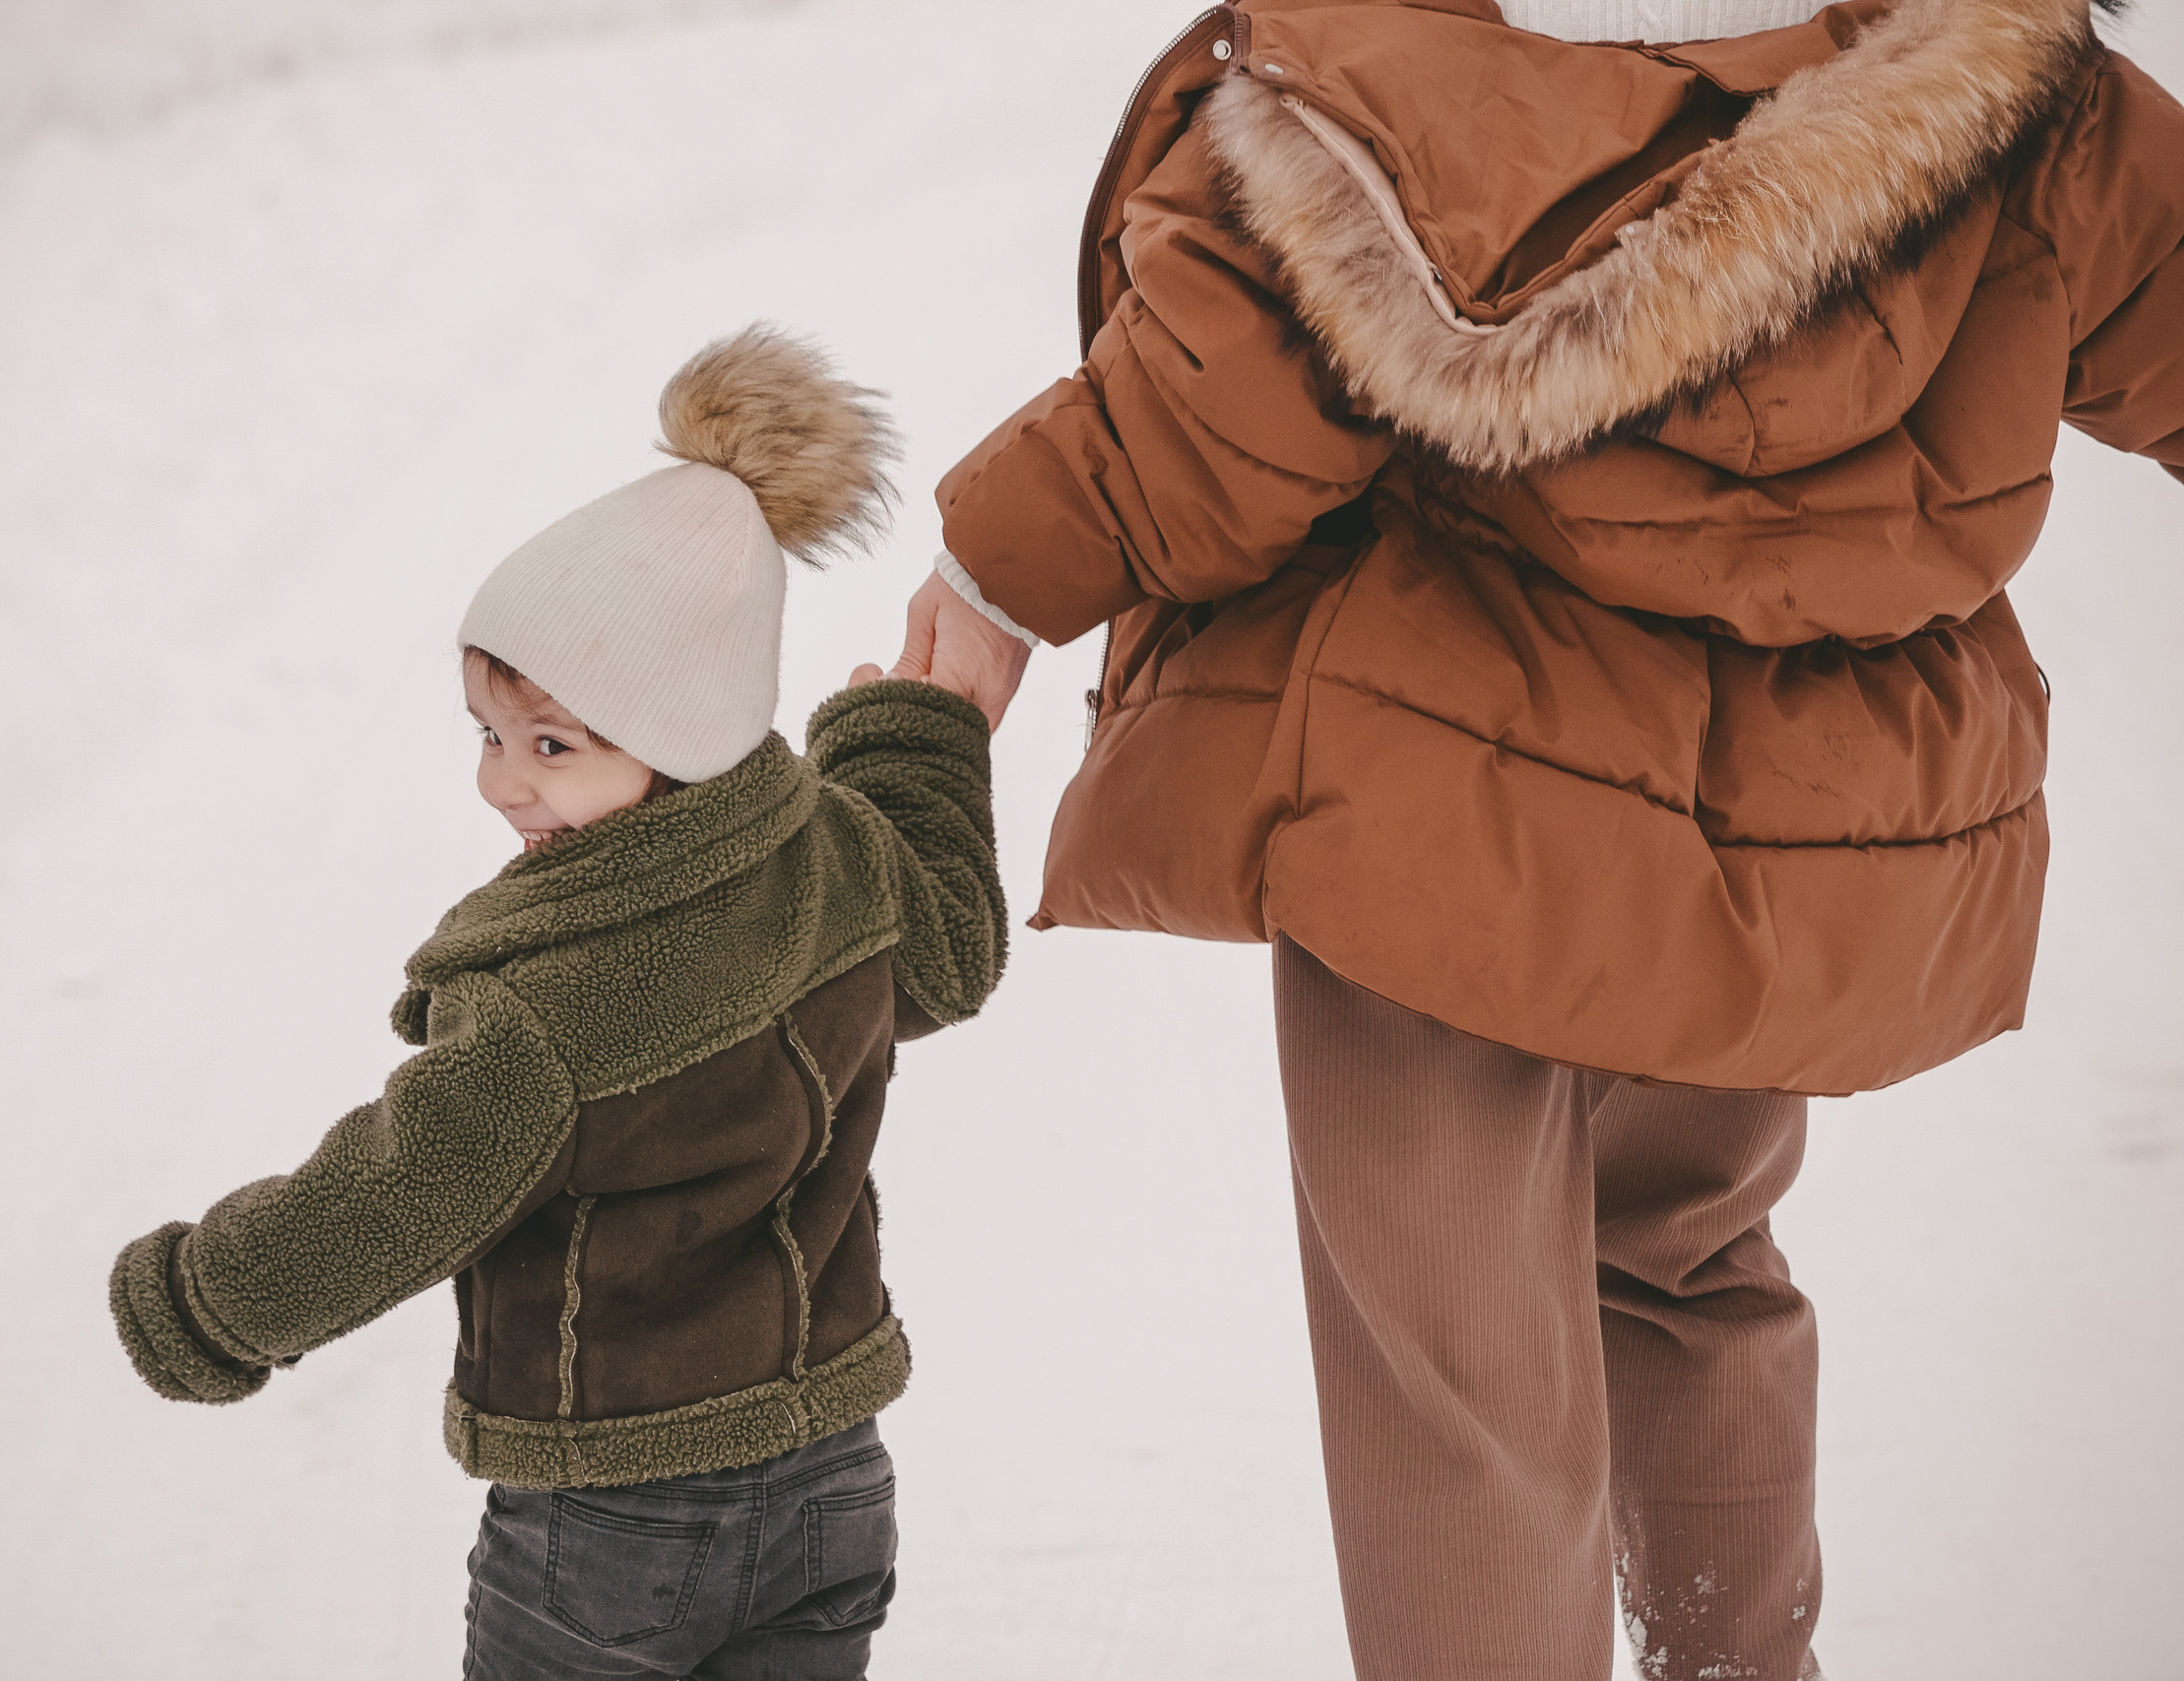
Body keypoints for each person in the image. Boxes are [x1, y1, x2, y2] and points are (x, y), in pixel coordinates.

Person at [895, 0, 2182, 1675]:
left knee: (1455, 1372)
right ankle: (1728, 1654)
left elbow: (1206, 418)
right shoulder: (2003, 91)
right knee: (1694, 1257)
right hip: (1760, 858)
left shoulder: (1392, 90)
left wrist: (995, 580)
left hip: (1437, 832)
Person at [108, 327, 1006, 1680]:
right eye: (488, 732)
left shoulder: (553, 1012)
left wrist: (205, 1305)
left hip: (615, 1531)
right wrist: (916, 739)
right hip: (834, 1491)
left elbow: (392, 1199)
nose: (499, 783)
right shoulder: (835, 864)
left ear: (685, 732)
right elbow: (948, 942)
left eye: (550, 746)